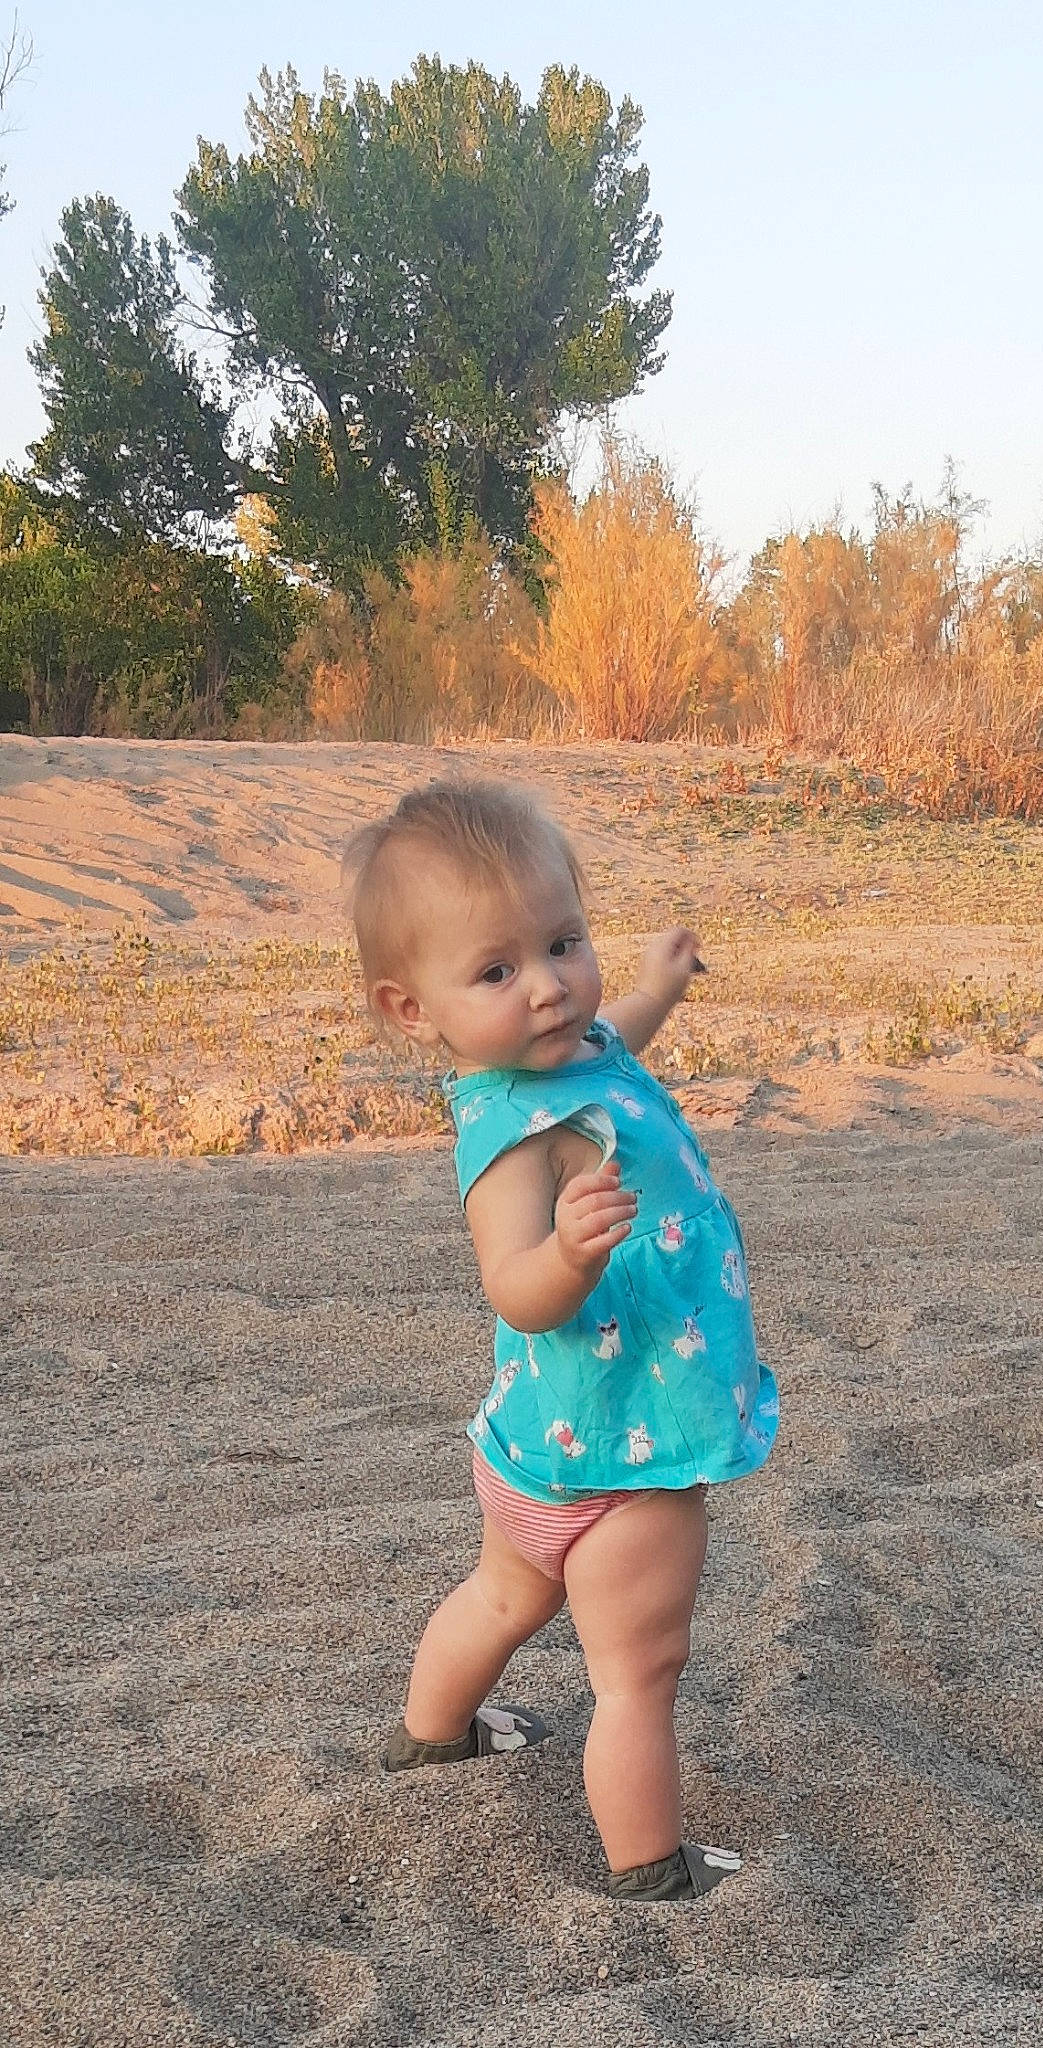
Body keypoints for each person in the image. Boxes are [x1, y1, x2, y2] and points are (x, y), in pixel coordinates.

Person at [342, 777, 779, 1902]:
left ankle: (436, 1734)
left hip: (532, 1452)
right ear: (410, 1007)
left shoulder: (568, 1052)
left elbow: (606, 1044)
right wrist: (572, 1255)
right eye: (497, 970)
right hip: (628, 1460)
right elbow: (514, 1286)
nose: (546, 987)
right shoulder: (507, 1137)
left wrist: (650, 989)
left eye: (563, 942)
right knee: (639, 1673)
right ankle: (650, 1865)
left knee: (499, 1596)